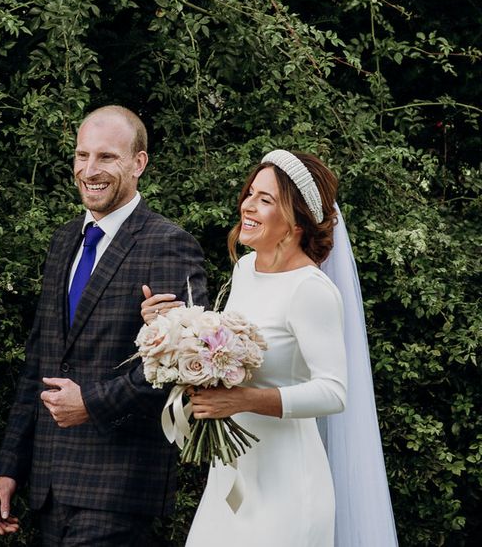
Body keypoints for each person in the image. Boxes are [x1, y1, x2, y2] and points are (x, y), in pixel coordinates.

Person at [0, 105, 208, 546]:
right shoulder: (65, 239)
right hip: (49, 484)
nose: (90, 169)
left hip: (119, 483)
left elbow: (182, 363)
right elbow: (40, 360)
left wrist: (92, 401)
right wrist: (11, 465)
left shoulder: (169, 245)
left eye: (106, 157)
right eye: (81, 156)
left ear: (138, 163)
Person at [142, 150, 348, 546]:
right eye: (251, 193)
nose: (247, 205)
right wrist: (175, 330)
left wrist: (244, 400)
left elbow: (333, 392)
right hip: (232, 477)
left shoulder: (310, 289)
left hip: (287, 481)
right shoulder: (245, 269)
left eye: (265, 199)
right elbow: (231, 350)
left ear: (297, 218)